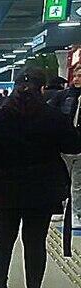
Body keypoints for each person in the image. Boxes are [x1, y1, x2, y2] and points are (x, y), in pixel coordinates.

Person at [0, 67, 81, 288]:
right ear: (42, 88)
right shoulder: (53, 116)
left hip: (4, 187)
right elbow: (73, 146)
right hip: (41, 191)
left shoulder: (2, 115)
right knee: (35, 242)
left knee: (3, 239)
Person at [50, 70, 81, 229]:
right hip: (64, 144)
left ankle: (75, 212)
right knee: (62, 179)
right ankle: (59, 207)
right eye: (75, 76)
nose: (76, 79)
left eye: (79, 76)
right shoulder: (64, 96)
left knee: (77, 183)